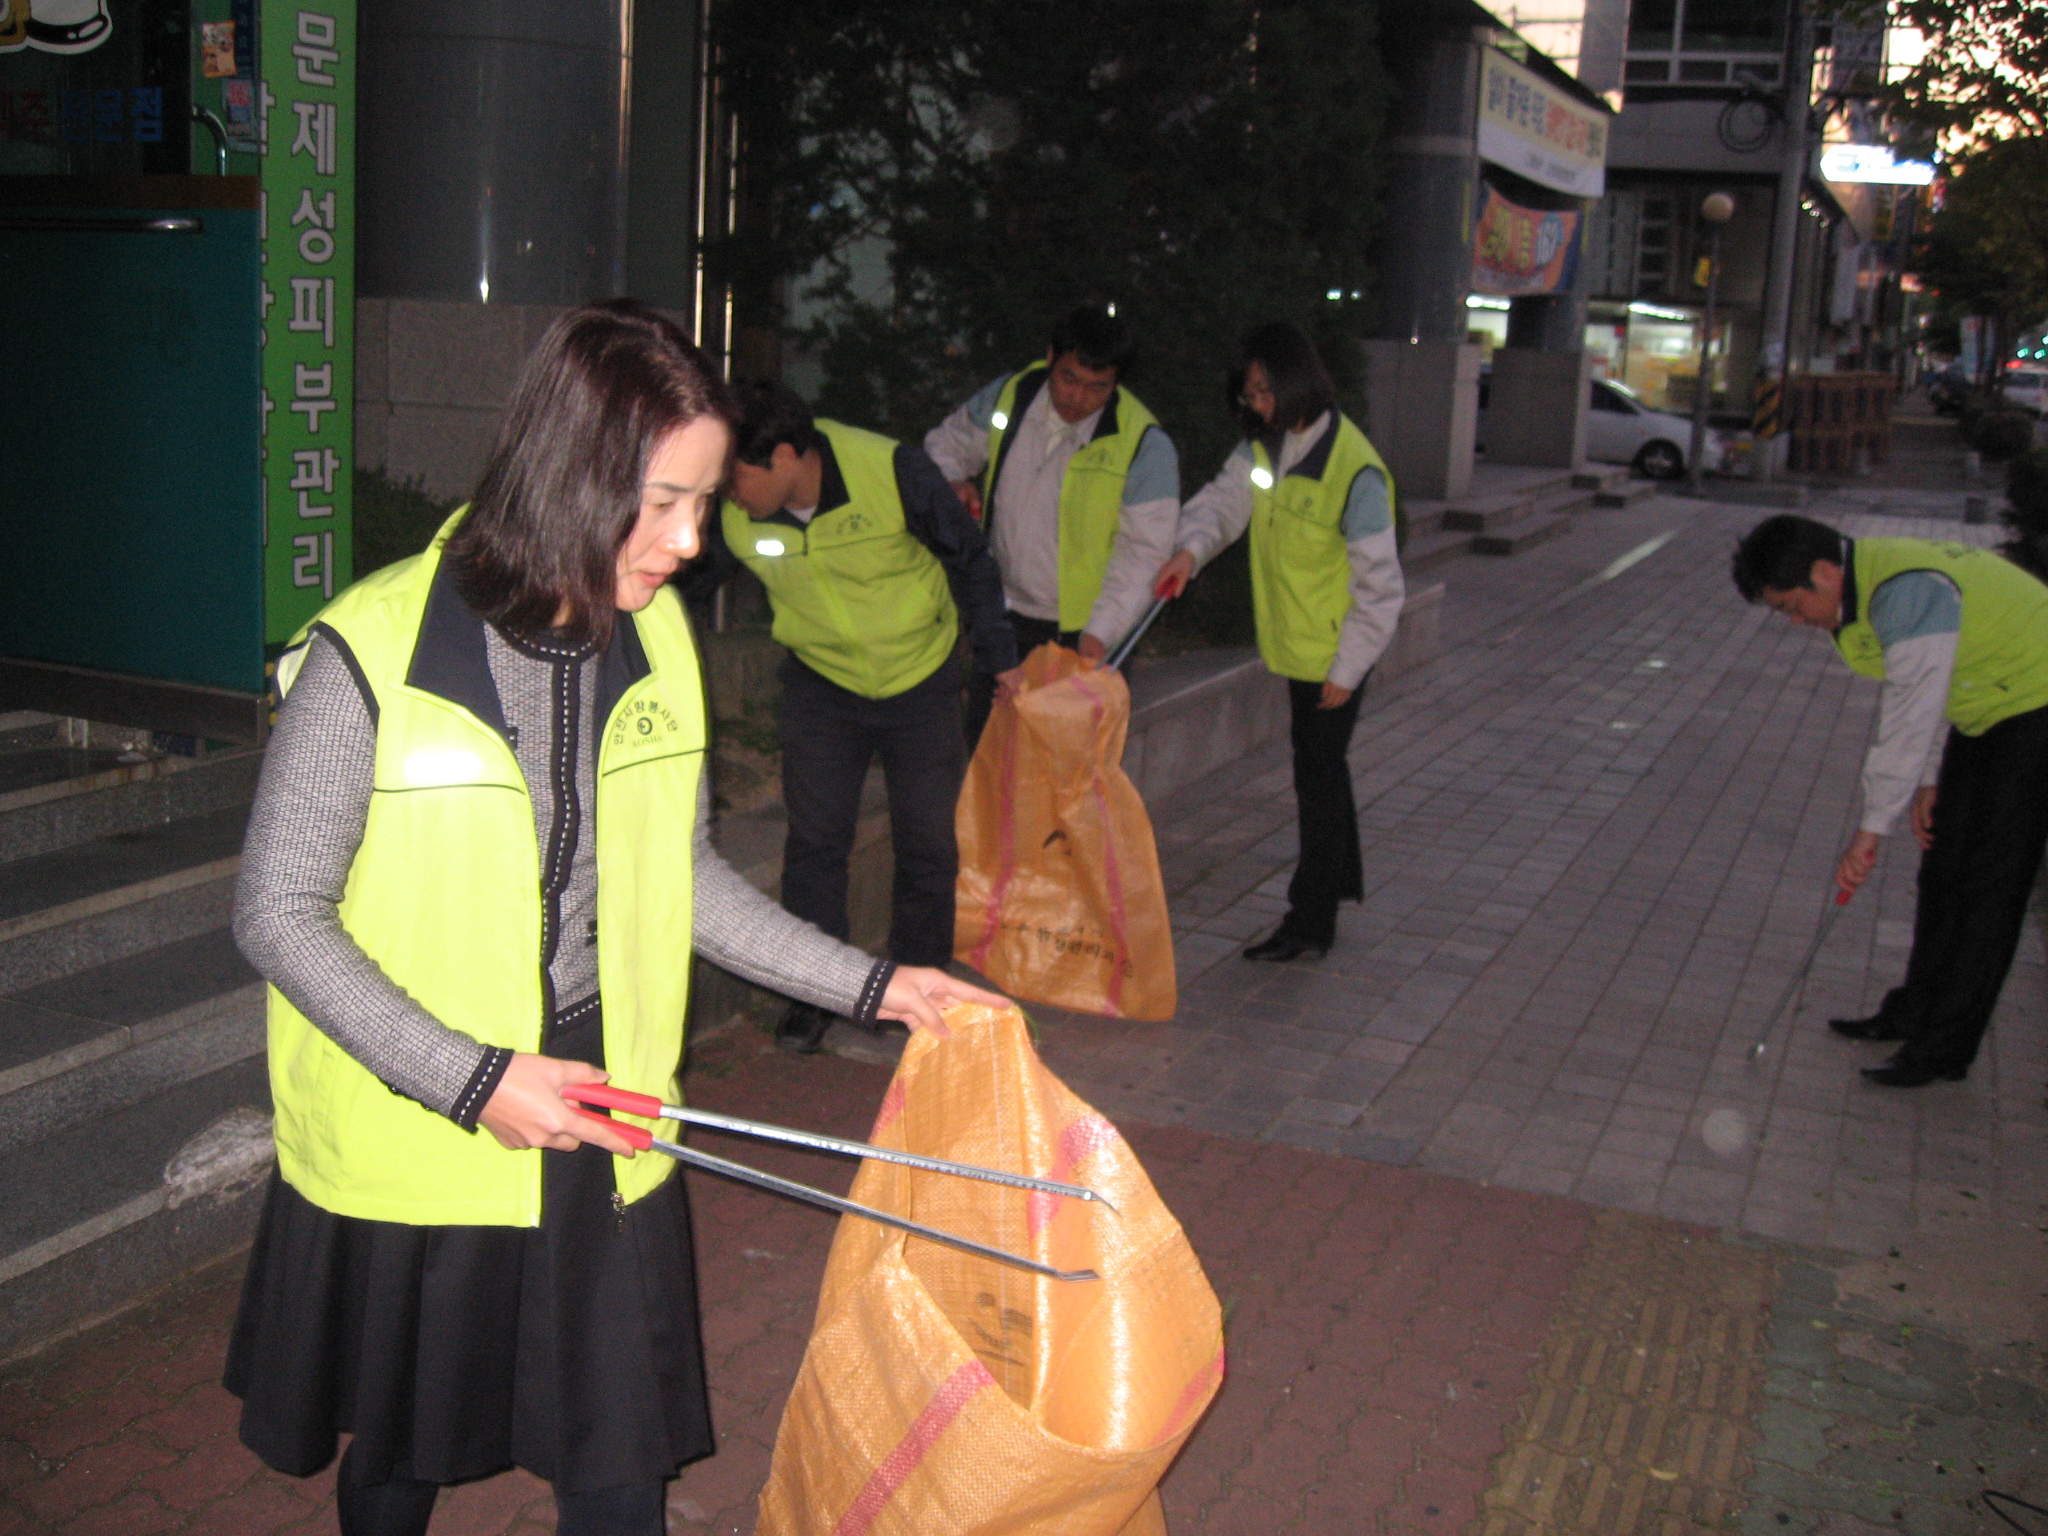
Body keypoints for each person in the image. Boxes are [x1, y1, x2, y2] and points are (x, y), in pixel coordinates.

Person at [226, 301, 1004, 1536]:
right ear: (566, 476)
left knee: (617, 1464)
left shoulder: (653, 641)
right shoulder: (371, 650)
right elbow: (276, 914)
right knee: (401, 1456)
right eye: (663, 503)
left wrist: (876, 986)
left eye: (706, 502)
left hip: (603, 1096)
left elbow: (679, 879)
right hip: (422, 1121)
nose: (692, 542)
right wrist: (475, 1080)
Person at [687, 379, 1021, 1054]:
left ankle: (917, 992)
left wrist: (1000, 657)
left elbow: (969, 558)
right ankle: (816, 995)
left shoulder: (892, 472)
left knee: (928, 843)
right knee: (815, 844)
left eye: (736, 477)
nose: (728, 495)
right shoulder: (734, 516)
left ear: (784, 457)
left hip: (918, 679)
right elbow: (679, 588)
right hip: (822, 685)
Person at [1732, 514, 2048, 1087]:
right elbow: (1928, 686)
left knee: (1989, 888)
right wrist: (1929, 782)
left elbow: (1911, 712)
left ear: (1825, 573)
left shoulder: (1905, 593)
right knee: (1945, 869)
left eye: (1790, 606)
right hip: (1989, 705)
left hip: (2037, 704)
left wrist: (1872, 828)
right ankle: (1914, 1012)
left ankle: (1945, 1049)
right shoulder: (1865, 584)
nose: (1795, 621)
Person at [1155, 323, 1404, 962]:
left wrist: (1346, 671)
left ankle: (1310, 920)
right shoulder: (1269, 447)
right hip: (1298, 644)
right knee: (1323, 769)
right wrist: (1189, 549)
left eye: (1266, 390)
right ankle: (1338, 883)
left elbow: (1381, 592)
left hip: (1334, 650)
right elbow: (1222, 504)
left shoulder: (1354, 472)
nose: (1259, 405)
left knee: (1316, 778)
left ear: (1298, 378)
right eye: (1250, 395)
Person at [924, 305, 1181, 742]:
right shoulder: (1012, 396)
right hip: (1001, 619)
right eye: (1068, 379)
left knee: (1065, 774)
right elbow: (944, 444)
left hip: (1082, 635)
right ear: (1050, 359)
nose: (1078, 399)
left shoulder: (1145, 446)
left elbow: (1144, 554)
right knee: (988, 756)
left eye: (1098, 388)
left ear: (1117, 383)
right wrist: (952, 480)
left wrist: (1102, 634)